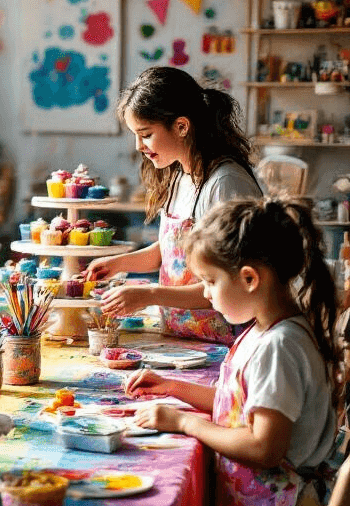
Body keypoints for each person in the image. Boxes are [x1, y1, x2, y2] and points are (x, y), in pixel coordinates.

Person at [127, 197, 344, 506]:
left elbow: (264, 445)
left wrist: (185, 422)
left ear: (249, 278)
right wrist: (175, 389)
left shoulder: (280, 347)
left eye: (208, 281)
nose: (203, 294)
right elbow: (239, 410)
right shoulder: (265, 330)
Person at [86, 66, 260, 343]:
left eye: (145, 134)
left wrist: (150, 294)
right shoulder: (180, 175)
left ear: (181, 126)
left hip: (224, 342)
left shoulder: (225, 184)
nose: (138, 146)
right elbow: (172, 253)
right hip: (184, 339)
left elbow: (233, 282)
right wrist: (118, 263)